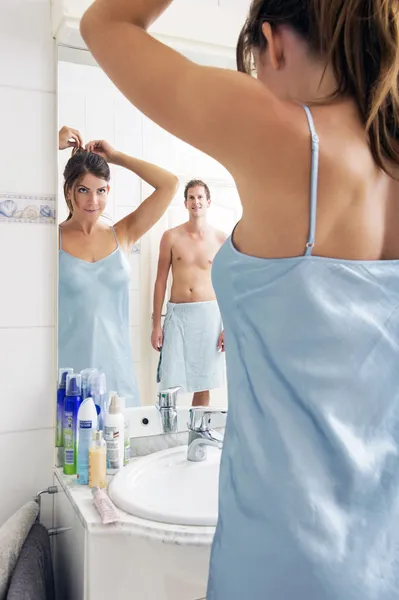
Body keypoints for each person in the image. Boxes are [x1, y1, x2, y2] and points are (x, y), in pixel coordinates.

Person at [80, 1, 399, 598]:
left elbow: (105, 25)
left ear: (274, 44)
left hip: (284, 559)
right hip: (386, 558)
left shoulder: (282, 130)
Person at [58, 126, 178, 408]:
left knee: (124, 449)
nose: (93, 201)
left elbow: (170, 184)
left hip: (118, 376)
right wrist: (50, 143)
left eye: (100, 191)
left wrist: (117, 157)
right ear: (69, 191)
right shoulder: (52, 240)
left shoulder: (122, 233)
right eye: (84, 190)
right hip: (69, 378)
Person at [151, 179, 226, 406]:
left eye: (200, 197)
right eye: (191, 197)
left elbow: (229, 285)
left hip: (209, 317)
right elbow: (161, 280)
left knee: (203, 382)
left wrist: (228, 327)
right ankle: (167, 439)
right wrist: (156, 324)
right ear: (185, 203)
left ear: (208, 201)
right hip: (178, 316)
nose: (196, 202)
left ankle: (198, 438)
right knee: (170, 381)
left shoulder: (221, 239)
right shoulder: (171, 237)